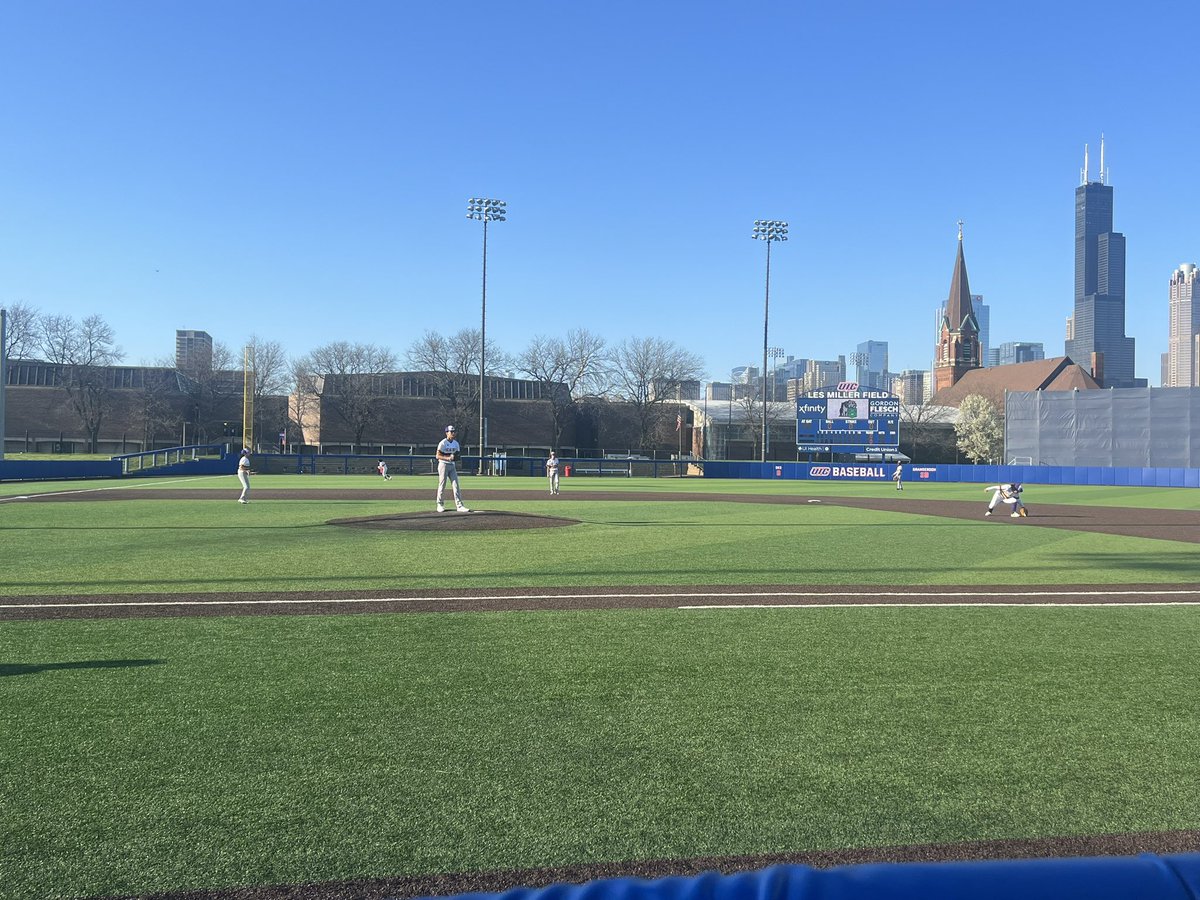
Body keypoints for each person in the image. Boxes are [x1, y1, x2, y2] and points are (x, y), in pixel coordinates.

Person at [435, 425, 470, 513]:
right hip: (443, 465)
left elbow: (457, 456)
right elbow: (437, 456)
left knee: (456, 485)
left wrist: (454, 457)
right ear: (447, 433)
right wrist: (448, 458)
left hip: (452, 465)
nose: (453, 433)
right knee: (442, 485)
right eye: (451, 432)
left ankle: (459, 506)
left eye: (454, 431)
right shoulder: (443, 443)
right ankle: (440, 504)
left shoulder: (456, 443)